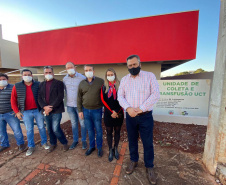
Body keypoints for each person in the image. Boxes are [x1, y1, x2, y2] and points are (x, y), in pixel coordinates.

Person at [118, 55, 160, 185]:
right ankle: (133, 160)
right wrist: (128, 108)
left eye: (134, 64)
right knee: (132, 140)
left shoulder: (150, 76)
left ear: (140, 64)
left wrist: (141, 108)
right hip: (130, 116)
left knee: (147, 142)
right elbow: (120, 96)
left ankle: (149, 166)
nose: (132, 67)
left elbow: (155, 94)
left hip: (145, 116)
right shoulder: (125, 80)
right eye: (130, 65)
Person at [11, 69, 49, 156]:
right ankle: (31, 146)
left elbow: (43, 96)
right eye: (25, 74)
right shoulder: (17, 86)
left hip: (38, 110)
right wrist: (17, 112)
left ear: (32, 76)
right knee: (29, 130)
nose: (27, 76)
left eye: (29, 74)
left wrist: (44, 108)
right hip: (26, 112)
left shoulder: (38, 84)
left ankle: (44, 142)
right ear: (22, 76)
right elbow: (13, 100)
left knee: (41, 127)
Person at [38, 66, 69, 152]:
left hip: (56, 110)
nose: (48, 74)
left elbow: (60, 97)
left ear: (53, 73)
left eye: (49, 72)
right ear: (44, 74)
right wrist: (45, 107)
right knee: (50, 129)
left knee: (55, 128)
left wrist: (50, 107)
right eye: (46, 73)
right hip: (46, 111)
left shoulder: (59, 83)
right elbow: (39, 97)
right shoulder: (41, 84)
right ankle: (53, 143)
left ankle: (64, 142)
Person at [77, 65, 104, 157]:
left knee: (99, 129)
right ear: (84, 72)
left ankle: (99, 147)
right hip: (86, 110)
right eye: (86, 70)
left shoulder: (100, 81)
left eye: (90, 70)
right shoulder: (81, 83)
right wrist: (80, 111)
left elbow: (104, 95)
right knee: (90, 130)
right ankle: (92, 146)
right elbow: (79, 98)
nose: (88, 71)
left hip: (97, 110)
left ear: (94, 71)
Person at [100, 68, 124, 162]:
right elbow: (103, 100)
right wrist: (111, 112)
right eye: (108, 75)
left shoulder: (121, 85)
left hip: (119, 112)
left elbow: (123, 99)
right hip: (108, 113)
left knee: (117, 132)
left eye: (111, 74)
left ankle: (116, 148)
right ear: (106, 76)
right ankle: (110, 150)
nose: (110, 76)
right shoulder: (103, 86)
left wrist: (117, 112)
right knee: (109, 132)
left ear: (115, 74)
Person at [63, 62, 87, 150]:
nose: (70, 69)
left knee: (83, 123)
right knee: (73, 124)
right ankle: (75, 140)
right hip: (70, 105)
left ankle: (84, 140)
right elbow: (65, 91)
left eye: (71, 67)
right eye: (68, 68)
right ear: (66, 69)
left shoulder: (82, 78)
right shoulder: (65, 79)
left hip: (79, 106)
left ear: (75, 67)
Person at [0, 73, 26, 152]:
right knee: (1, 131)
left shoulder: (13, 87)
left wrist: (17, 111)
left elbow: (18, 99)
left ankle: (21, 144)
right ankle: (4, 144)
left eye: (4, 79)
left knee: (16, 130)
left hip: (10, 113)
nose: (2, 81)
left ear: (7, 80)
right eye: (0, 80)